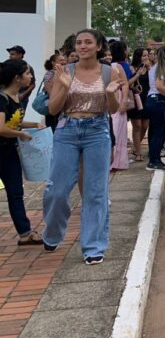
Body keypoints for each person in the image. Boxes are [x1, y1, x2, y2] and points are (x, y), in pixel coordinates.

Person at [43, 29, 124, 264]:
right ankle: (53, 232)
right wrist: (64, 86)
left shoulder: (110, 71)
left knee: (95, 191)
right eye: (79, 43)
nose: (82, 46)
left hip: (97, 130)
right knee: (57, 190)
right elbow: (53, 109)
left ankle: (93, 246)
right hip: (67, 130)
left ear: (99, 46)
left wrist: (110, 94)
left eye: (88, 42)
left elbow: (113, 109)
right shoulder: (64, 71)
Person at [0, 59, 46, 246]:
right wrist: (21, 134)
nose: (30, 77)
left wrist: (34, 124)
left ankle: (25, 233)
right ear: (17, 78)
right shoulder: (2, 99)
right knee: (15, 192)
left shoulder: (16, 97)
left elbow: (14, 122)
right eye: (27, 73)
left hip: (9, 152)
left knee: (16, 192)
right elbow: (1, 128)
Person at [145, 46, 165, 171]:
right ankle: (154, 160)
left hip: (152, 100)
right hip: (159, 100)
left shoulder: (154, 67)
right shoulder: (163, 68)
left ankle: (154, 158)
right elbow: (160, 86)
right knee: (160, 131)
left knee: (155, 130)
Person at [108, 41, 131, 171]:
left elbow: (125, 83)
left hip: (118, 100)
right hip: (106, 102)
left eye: (109, 54)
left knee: (118, 131)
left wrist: (124, 101)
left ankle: (118, 161)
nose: (107, 56)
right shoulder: (99, 67)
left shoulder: (117, 66)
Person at [127, 48, 150, 161]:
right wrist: (137, 74)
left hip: (147, 99)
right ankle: (138, 152)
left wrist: (149, 68)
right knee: (137, 126)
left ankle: (135, 148)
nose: (146, 57)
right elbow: (128, 84)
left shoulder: (149, 68)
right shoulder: (132, 68)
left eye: (147, 55)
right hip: (136, 99)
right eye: (143, 55)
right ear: (138, 56)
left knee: (145, 126)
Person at [6, 46, 35, 111]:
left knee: (18, 116)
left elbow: (33, 84)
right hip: (8, 97)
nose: (10, 56)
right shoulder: (7, 66)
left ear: (20, 55)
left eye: (12, 54)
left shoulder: (27, 68)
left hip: (21, 99)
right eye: (10, 54)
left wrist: (23, 95)